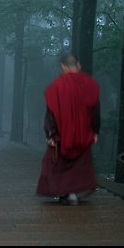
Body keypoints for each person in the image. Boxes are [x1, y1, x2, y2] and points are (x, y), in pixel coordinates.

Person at [36, 53, 100, 205]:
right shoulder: (90, 84)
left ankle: (67, 193)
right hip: (83, 133)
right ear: (78, 65)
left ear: (63, 66)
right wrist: (95, 131)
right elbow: (95, 111)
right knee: (79, 164)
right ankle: (73, 193)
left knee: (59, 163)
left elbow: (51, 112)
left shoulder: (56, 86)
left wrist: (50, 133)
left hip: (62, 134)